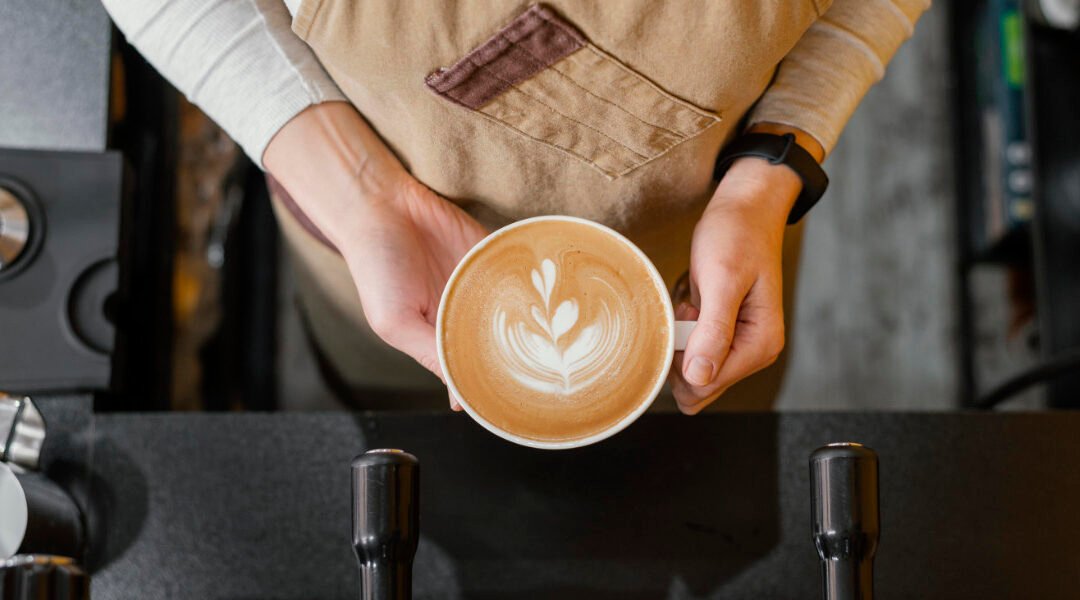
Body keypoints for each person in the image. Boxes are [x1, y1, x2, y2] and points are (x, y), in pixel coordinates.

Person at [102, 0, 929, 413]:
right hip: (382, 262)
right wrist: (359, 195)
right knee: (418, 441)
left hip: (709, 256)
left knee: (695, 467)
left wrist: (775, 159)